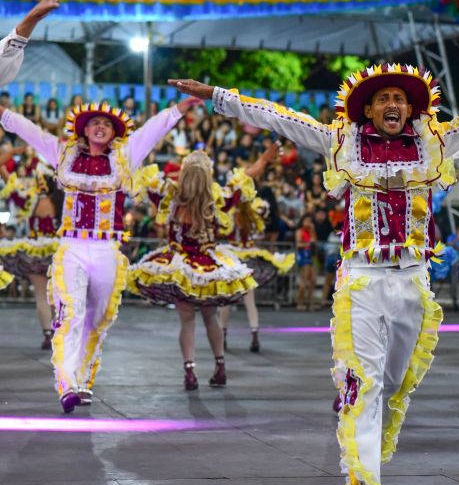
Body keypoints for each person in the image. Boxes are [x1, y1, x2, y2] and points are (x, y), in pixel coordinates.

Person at [169, 65, 459, 485]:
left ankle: (369, 442)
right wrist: (217, 94)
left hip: (412, 280)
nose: (393, 105)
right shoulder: (341, 142)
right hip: (362, 280)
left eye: (400, 99)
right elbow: (277, 116)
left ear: (412, 108)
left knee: (392, 382)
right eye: (383, 99)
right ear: (366, 108)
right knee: (362, 385)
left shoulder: (435, 143)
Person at [0, 95, 199, 413]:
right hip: (73, 247)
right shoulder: (64, 154)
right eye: (95, 122)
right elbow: (33, 134)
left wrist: (178, 110)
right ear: (84, 129)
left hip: (107, 247)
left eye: (107, 123)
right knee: (70, 314)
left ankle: (82, 379)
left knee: (98, 317)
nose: (101, 127)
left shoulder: (124, 157)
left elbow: (150, 131)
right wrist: (5, 115)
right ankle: (65, 383)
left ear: (114, 132)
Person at [129, 150, 270, 388]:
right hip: (207, 268)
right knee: (210, 317)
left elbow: (141, 177)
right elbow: (245, 177)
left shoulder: (169, 196)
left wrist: (138, 148)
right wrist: (264, 159)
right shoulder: (216, 199)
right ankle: (220, 366)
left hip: (179, 267)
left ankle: (190, 372)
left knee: (187, 321)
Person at [219, 182, 295, 352]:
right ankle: (254, 335)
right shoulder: (255, 213)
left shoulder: (231, 215)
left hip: (233, 257)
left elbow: (223, 230)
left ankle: (222, 335)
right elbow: (260, 233)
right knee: (249, 300)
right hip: (250, 257)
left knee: (227, 299)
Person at [0, 153, 62, 350]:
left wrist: (8, 158)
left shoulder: (30, 200)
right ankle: (58, 330)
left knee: (41, 295)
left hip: (34, 250)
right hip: (58, 250)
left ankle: (47, 333)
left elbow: (8, 181)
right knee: (58, 294)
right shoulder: (61, 201)